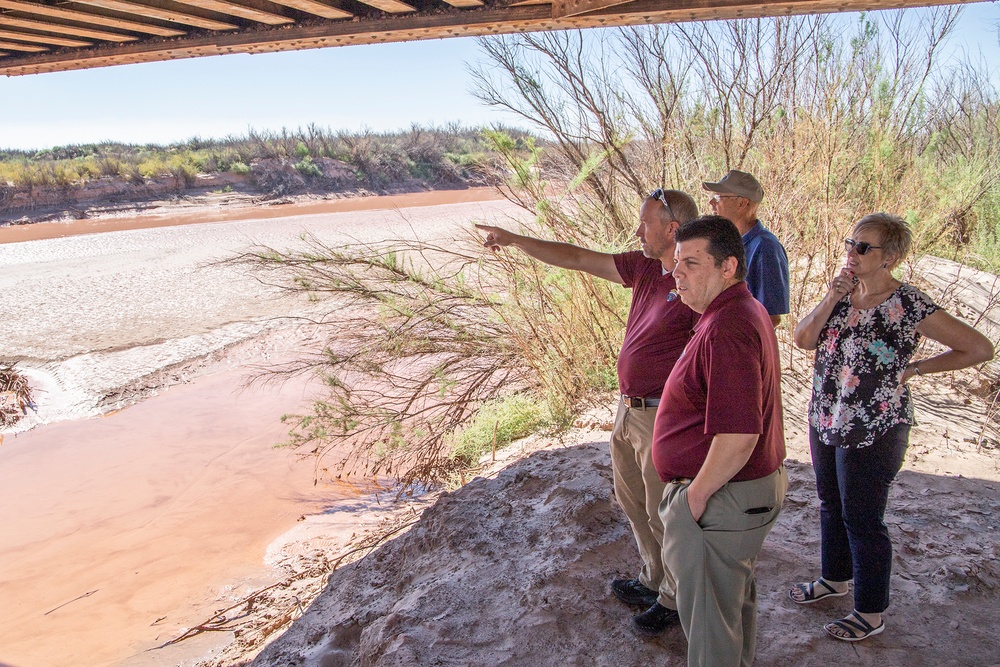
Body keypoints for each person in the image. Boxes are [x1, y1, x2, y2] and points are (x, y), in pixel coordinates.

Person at [476, 189, 699, 630]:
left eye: (645, 223)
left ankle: (675, 601)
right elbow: (578, 258)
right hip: (628, 411)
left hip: (663, 416)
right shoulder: (645, 268)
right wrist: (516, 239)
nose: (637, 231)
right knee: (633, 501)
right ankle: (654, 580)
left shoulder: (694, 282)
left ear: (672, 229)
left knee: (664, 511)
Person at [789, 213, 994, 641]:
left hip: (875, 424)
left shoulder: (909, 304)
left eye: (863, 247)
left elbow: (978, 347)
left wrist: (914, 370)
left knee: (863, 518)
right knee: (830, 502)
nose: (851, 252)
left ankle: (870, 612)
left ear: (892, 258)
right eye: (850, 243)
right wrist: (830, 297)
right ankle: (835, 579)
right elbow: (803, 340)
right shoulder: (841, 295)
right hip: (827, 415)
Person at [649, 215, 788, 666]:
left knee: (710, 634)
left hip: (722, 499)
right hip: (737, 495)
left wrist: (694, 499)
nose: (677, 274)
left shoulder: (727, 325)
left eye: (691, 263)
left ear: (728, 267)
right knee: (728, 613)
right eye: (676, 264)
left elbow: (739, 434)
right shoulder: (736, 312)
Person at [703, 170, 789, 327]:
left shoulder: (766, 247)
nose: (712, 203)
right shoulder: (726, 243)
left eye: (718, 198)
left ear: (742, 203)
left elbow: (771, 317)